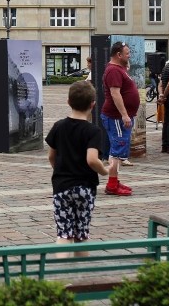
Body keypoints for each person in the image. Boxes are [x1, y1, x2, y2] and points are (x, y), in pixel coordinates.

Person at [46, 81, 109, 254]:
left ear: (68, 101)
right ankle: (81, 273)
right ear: (92, 104)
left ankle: (60, 274)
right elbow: (92, 160)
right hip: (85, 187)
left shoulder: (59, 126)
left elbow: (51, 156)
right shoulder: (93, 131)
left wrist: (59, 170)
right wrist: (104, 170)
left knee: (64, 234)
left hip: (62, 186)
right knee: (82, 234)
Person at [100, 41, 138, 196]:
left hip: (120, 117)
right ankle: (111, 185)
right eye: (127, 53)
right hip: (116, 117)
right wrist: (124, 115)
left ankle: (114, 180)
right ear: (119, 55)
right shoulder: (114, 70)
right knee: (117, 150)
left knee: (117, 150)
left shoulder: (119, 69)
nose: (129, 55)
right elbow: (115, 94)